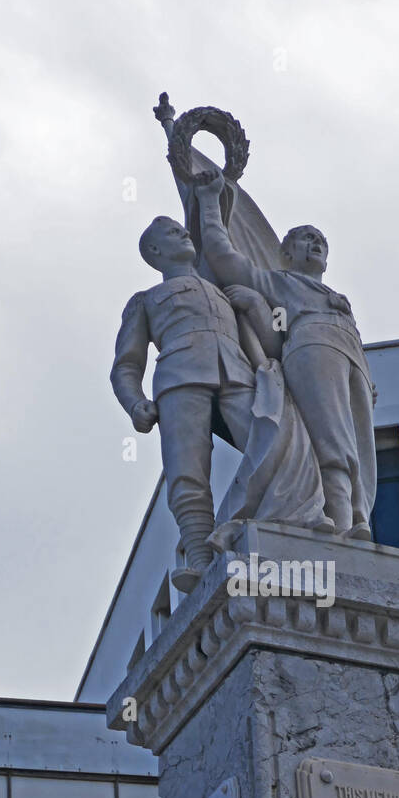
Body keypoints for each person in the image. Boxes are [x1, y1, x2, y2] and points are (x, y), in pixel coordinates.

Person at [196, 169, 377, 537]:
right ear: (286, 252)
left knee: (360, 450)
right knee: (332, 440)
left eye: (320, 240)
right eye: (305, 239)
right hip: (311, 346)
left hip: (351, 357)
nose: (315, 244)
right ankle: (342, 525)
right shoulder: (278, 281)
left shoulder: (338, 298)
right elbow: (221, 254)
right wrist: (211, 203)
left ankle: (359, 518)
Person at [110, 215, 256, 591]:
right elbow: (126, 365)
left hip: (238, 373)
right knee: (187, 471)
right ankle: (200, 558)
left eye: (184, 228)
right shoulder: (145, 301)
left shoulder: (222, 289)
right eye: (175, 232)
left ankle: (279, 520)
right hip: (179, 376)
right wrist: (135, 403)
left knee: (269, 442)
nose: (185, 233)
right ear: (155, 251)